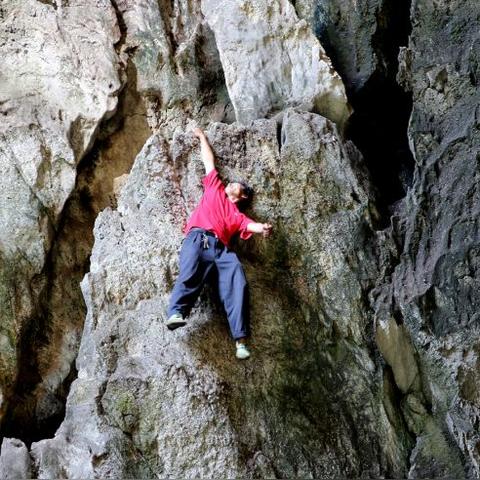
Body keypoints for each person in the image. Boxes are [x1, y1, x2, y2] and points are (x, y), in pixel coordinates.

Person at [166, 127, 272, 359]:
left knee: (237, 281)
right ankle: (176, 312)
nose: (232, 184)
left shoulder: (237, 215)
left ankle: (240, 341)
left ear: (242, 196)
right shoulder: (214, 188)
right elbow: (208, 161)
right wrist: (202, 138)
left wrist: (262, 228)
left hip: (222, 250)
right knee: (190, 272)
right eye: (232, 183)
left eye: (237, 186)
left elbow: (249, 226)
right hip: (200, 238)